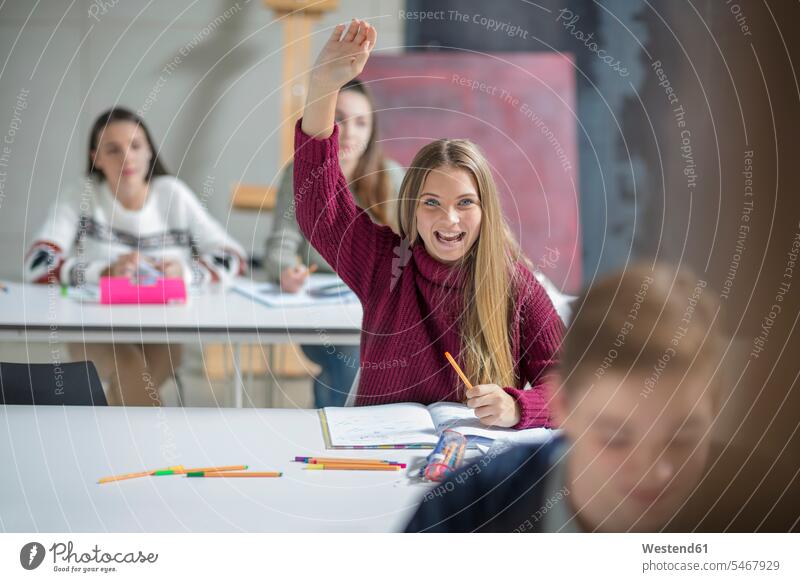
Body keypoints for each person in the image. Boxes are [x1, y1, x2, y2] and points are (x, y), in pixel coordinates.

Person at [294, 19, 563, 428]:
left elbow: (573, 387)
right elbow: (319, 207)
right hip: (377, 462)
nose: (449, 219)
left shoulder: (516, 286)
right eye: (432, 202)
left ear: (485, 210)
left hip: (473, 468)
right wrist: (324, 86)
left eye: (465, 203)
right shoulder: (386, 263)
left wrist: (519, 407)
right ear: (413, 209)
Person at [406, 263, 723, 532]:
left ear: (716, 410)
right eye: (615, 439)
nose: (653, 472)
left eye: (682, 439)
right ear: (563, 407)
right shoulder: (463, 513)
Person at [25, 107, 246, 406]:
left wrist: (185, 272)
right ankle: (150, 452)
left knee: (131, 384)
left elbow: (233, 256)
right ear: (96, 159)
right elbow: (37, 262)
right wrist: (101, 272)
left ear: (150, 151)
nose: (127, 157)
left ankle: (114, 444)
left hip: (162, 328)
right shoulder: (82, 194)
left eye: (136, 146)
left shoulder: (173, 195)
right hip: (95, 327)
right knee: (129, 368)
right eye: (113, 150)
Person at [265, 78, 404, 408]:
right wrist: (286, 270)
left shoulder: (392, 175)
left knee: (360, 359)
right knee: (348, 356)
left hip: (376, 307)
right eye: (339, 119)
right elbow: (278, 247)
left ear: (372, 131)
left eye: (361, 122)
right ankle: (347, 437)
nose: (351, 131)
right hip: (318, 310)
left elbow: (411, 247)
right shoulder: (299, 174)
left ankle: (333, 427)